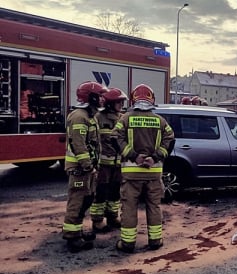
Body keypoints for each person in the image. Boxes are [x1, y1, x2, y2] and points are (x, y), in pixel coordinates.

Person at [111, 84, 175, 253]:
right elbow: (170, 139)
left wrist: (133, 155)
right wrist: (154, 158)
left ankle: (127, 243)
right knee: (154, 206)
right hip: (153, 173)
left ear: (133, 99)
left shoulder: (125, 118)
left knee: (129, 207)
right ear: (151, 99)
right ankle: (155, 241)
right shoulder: (160, 120)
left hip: (131, 173)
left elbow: (114, 137)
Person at [63, 81, 108, 252]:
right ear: (91, 97)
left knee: (86, 199)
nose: (102, 99)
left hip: (87, 169)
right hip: (80, 169)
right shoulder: (79, 116)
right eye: (99, 96)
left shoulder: (90, 116)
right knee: (77, 201)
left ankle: (78, 231)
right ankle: (72, 237)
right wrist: (88, 165)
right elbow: (78, 144)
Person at [90, 88, 127, 232]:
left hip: (118, 164)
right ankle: (97, 221)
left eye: (122, 102)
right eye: (119, 102)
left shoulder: (122, 118)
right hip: (103, 165)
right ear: (110, 103)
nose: (121, 104)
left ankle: (113, 217)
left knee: (115, 192)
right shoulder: (98, 118)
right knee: (101, 192)